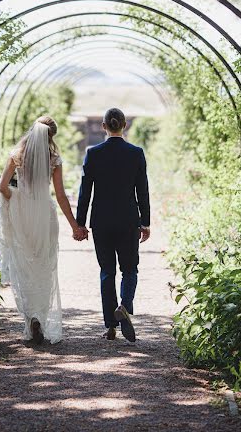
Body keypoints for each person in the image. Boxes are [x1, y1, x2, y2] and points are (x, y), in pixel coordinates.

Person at [0, 115, 85, 344]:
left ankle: (31, 319)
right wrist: (74, 226)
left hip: (23, 214)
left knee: (25, 265)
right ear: (50, 136)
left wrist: (15, 199)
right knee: (45, 266)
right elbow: (61, 195)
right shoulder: (53, 158)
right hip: (44, 215)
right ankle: (40, 319)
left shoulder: (17, 155)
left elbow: (2, 186)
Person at [76, 107, 151, 342]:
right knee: (129, 269)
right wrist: (145, 222)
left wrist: (80, 223)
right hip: (128, 220)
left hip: (101, 222)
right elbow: (143, 191)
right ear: (124, 125)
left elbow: (85, 192)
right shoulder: (136, 153)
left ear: (104, 127)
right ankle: (125, 307)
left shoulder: (93, 153)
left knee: (107, 272)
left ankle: (110, 326)